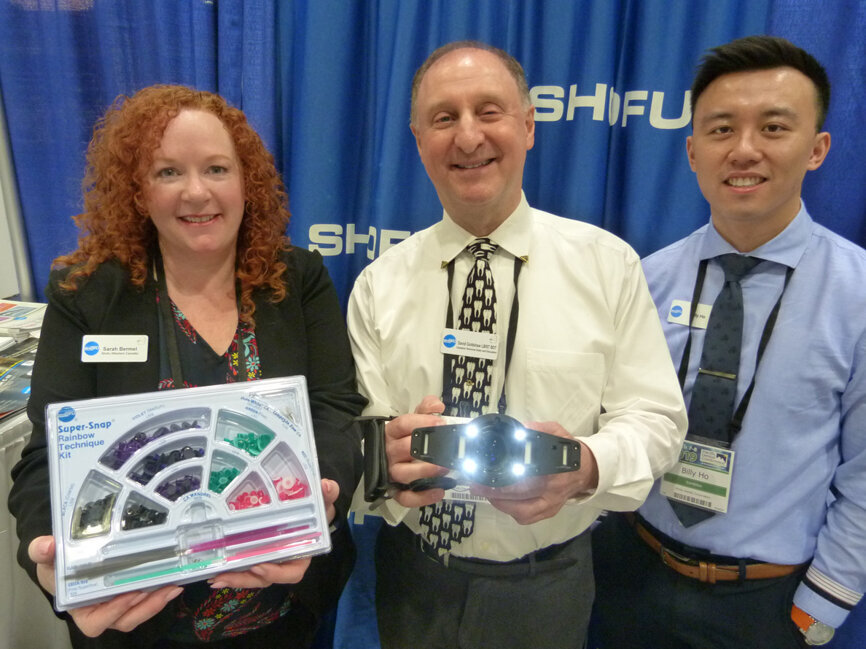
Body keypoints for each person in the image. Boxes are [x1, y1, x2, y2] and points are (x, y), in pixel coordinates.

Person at [346, 41, 687, 649]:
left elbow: (656, 420)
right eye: (444, 118)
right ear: (418, 138)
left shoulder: (606, 266)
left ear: (528, 126)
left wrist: (583, 466)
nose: (468, 136)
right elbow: (359, 435)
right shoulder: (379, 284)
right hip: (413, 578)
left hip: (546, 587)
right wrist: (383, 463)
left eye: (489, 111)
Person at [8, 85, 365, 649]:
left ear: (246, 181)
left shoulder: (297, 281)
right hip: (137, 620)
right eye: (169, 172)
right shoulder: (88, 296)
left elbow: (335, 412)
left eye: (217, 168)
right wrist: (53, 565)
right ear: (138, 192)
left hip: (282, 607)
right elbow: (46, 456)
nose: (197, 192)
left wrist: (323, 501)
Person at [592, 35, 866, 648]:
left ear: (817, 148)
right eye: (721, 130)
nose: (744, 151)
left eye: (773, 127)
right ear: (692, 151)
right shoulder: (646, 277)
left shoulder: (857, 295)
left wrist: (820, 606)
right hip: (631, 577)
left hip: (767, 604)